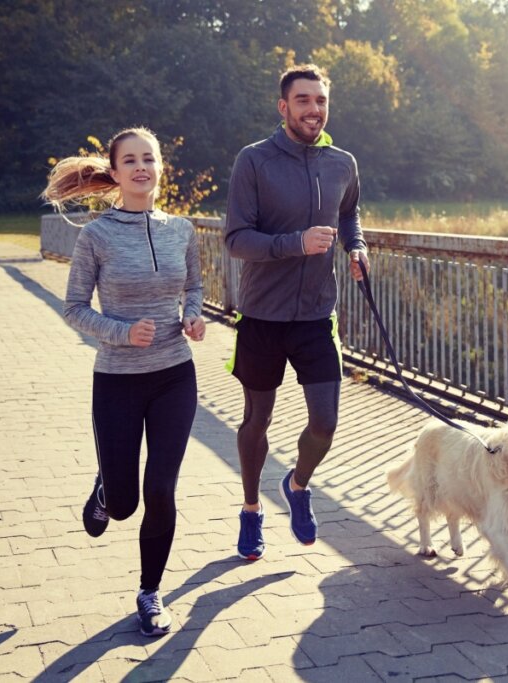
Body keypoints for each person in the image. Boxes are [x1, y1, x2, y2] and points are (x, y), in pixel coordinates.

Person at [41, 127, 206, 636]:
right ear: (113, 173)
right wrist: (121, 332)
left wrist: (195, 317)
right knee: (125, 503)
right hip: (117, 381)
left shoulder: (182, 229)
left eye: (149, 159)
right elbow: (72, 308)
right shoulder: (96, 236)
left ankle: (150, 592)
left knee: (160, 490)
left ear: (160, 168)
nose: (141, 168)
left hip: (175, 377)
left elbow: (195, 286)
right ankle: (105, 494)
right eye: (130, 160)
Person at [223, 64, 370, 561]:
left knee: (325, 423)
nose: (314, 109)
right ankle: (250, 510)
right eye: (303, 100)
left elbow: (348, 212)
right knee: (256, 420)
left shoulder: (342, 162)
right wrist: (297, 243)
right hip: (262, 316)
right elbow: (236, 240)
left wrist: (355, 246)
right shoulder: (254, 162)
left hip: (316, 316)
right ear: (283, 107)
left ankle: (297, 484)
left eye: (321, 101)